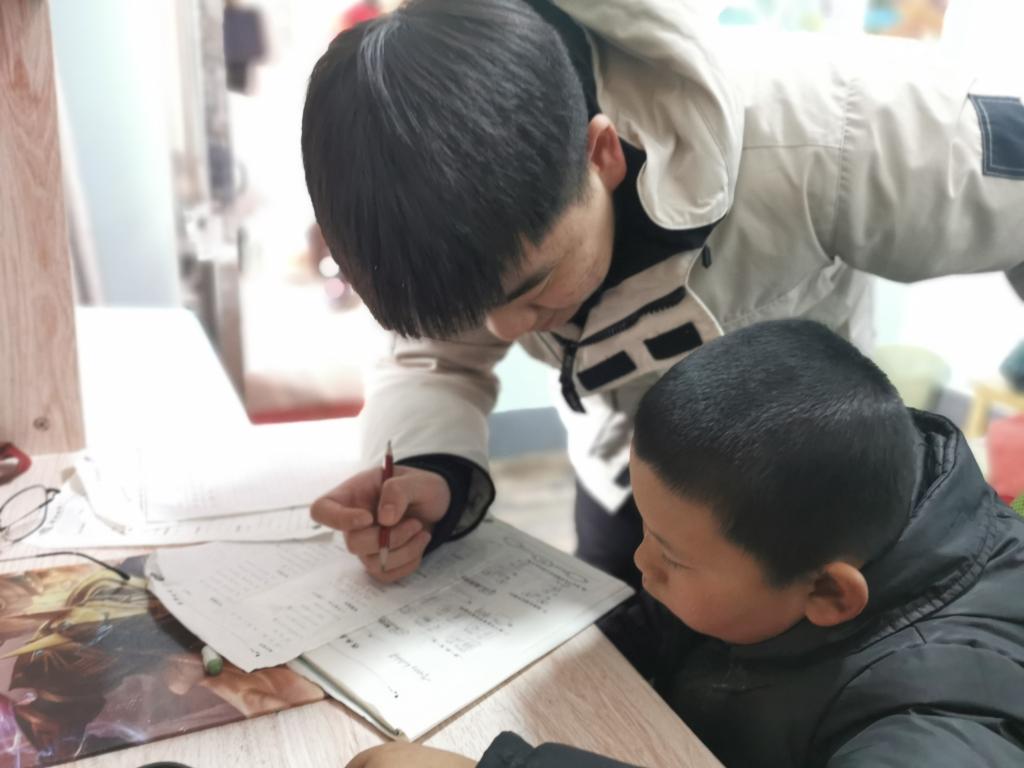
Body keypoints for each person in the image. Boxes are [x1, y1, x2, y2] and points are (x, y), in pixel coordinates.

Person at [302, 0, 1024, 592]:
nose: (504, 330)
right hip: (622, 480)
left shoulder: (826, 132)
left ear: (602, 153)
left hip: (802, 503)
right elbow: (431, 359)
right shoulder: (441, 197)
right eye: (471, 312)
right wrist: (434, 470)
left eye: (534, 288)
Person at [344, 319, 1024, 767]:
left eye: (671, 555)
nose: (641, 562)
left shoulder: (943, 708)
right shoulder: (808, 512)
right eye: (646, 529)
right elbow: (666, 624)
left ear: (826, 592)